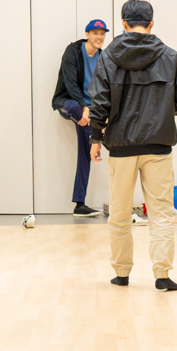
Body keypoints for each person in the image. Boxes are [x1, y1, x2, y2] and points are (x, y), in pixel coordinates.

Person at [91, 0, 177, 291]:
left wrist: (96, 138)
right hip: (158, 147)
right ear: (151, 24)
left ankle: (121, 273)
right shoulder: (171, 57)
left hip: (121, 148)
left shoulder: (108, 57)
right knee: (161, 212)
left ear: (123, 24)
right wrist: (162, 111)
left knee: (120, 213)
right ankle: (162, 275)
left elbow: (99, 101)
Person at [52, 18, 111, 217]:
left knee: (86, 144)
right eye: (95, 33)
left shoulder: (103, 57)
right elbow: (70, 84)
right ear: (87, 35)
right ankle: (98, 137)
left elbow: (106, 89)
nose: (99, 37)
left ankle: (80, 204)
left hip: (91, 112)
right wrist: (85, 107)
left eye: (102, 34)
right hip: (69, 102)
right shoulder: (73, 52)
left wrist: (103, 114)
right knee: (75, 108)